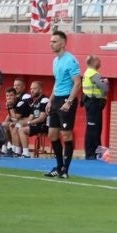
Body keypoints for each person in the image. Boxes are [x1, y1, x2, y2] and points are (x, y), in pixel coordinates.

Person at [45, 27, 80, 179]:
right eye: (50, 41)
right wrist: (50, 100)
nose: (51, 44)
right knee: (52, 134)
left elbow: (77, 83)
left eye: (54, 41)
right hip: (56, 99)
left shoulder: (71, 60)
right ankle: (59, 166)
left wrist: (69, 102)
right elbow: (57, 82)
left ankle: (65, 168)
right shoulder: (55, 60)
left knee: (66, 135)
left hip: (67, 99)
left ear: (63, 43)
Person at [80, 54, 109, 159]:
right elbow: (105, 88)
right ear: (93, 62)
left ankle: (94, 151)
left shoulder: (88, 73)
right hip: (94, 103)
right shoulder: (93, 73)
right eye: (98, 60)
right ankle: (92, 153)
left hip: (91, 102)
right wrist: (106, 82)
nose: (100, 62)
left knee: (93, 128)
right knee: (94, 128)